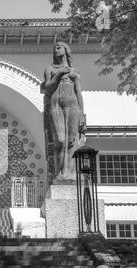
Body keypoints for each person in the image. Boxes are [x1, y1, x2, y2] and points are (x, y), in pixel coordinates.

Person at [42, 41, 86, 181]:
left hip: (73, 106)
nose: (56, 50)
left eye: (59, 48)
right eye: (55, 48)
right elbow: (48, 89)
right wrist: (59, 73)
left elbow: (78, 92)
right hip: (56, 106)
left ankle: (70, 174)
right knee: (60, 140)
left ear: (66, 50)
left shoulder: (75, 71)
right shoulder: (50, 69)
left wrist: (82, 114)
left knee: (72, 141)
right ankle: (60, 172)